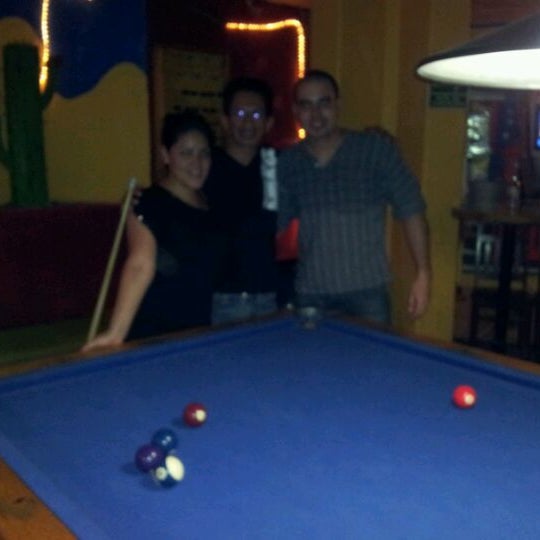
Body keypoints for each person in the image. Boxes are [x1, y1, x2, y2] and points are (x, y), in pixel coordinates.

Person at [277, 69, 431, 325]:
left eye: (324, 103)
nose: (316, 114)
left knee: (374, 354)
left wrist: (423, 273)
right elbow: (273, 223)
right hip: (311, 293)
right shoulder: (288, 163)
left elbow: (411, 208)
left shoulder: (374, 149)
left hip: (367, 294)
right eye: (306, 105)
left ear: (337, 105)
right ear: (296, 112)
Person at [82, 111, 219, 351]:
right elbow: (140, 265)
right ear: (165, 155)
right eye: (186, 153)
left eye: (204, 153)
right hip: (154, 337)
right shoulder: (147, 202)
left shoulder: (210, 203)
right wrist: (116, 333)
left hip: (198, 333)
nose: (197, 163)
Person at [204, 77, 293, 325]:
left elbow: (321, 159)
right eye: (240, 113)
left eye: (256, 115)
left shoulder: (278, 163)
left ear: (268, 123)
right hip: (220, 299)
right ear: (225, 120)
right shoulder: (204, 166)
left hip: (270, 297)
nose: (247, 122)